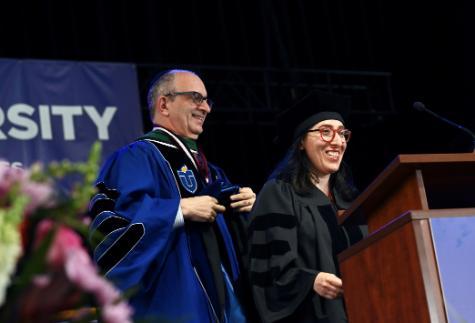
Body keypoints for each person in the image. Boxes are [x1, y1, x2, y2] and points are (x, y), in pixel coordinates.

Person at [88, 69, 256, 322]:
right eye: (195, 98)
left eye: (207, 100)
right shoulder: (136, 158)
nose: (206, 108)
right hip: (171, 306)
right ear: (164, 104)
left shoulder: (212, 173)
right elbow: (112, 235)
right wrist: (178, 210)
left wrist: (245, 205)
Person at [248, 91, 367, 323]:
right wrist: (311, 280)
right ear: (301, 142)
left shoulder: (351, 200)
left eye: (342, 133)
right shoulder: (279, 194)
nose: (337, 141)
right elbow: (270, 269)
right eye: (325, 131)